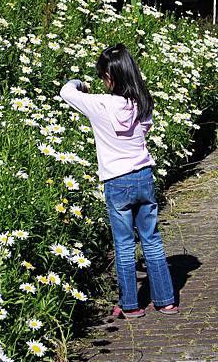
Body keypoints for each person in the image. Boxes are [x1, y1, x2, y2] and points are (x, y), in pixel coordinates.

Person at [59, 43, 179, 319]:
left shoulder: (99, 104)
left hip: (116, 181)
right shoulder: (143, 102)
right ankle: (166, 300)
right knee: (151, 240)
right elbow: (143, 128)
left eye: (103, 76)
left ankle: (131, 304)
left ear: (109, 78)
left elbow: (66, 91)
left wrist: (81, 84)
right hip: (143, 176)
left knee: (124, 244)